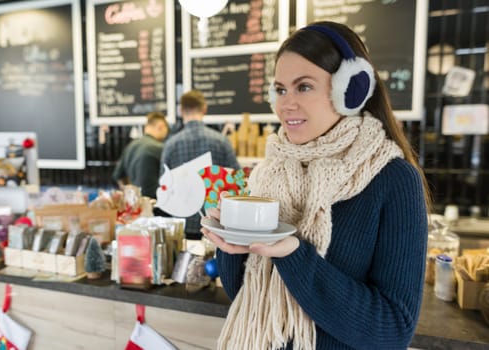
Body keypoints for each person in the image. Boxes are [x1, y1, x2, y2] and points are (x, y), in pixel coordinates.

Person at [202, 21, 430, 350]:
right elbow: (247, 296)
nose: (286, 104)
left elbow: (393, 330)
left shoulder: (393, 180)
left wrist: (294, 255)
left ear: (351, 89)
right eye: (280, 89)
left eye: (303, 87)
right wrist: (230, 245)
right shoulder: (269, 173)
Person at [161, 89, 239, 239]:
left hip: (182, 223)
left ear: (181, 110)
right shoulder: (221, 141)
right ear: (204, 109)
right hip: (216, 224)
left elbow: (164, 186)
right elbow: (237, 179)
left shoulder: (171, 144)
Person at [112, 111, 169, 199]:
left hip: (136, 204)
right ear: (161, 127)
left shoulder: (130, 146)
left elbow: (118, 176)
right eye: (167, 129)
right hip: (156, 203)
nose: (166, 134)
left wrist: (131, 195)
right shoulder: (161, 148)